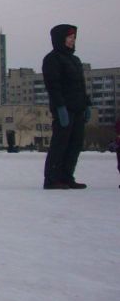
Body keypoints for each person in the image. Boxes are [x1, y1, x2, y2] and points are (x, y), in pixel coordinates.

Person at [42, 24, 92, 190]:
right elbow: (53, 86)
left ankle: (67, 176)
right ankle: (52, 179)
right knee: (60, 144)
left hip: (78, 108)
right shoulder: (52, 59)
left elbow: (80, 85)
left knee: (75, 144)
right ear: (60, 39)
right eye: (69, 38)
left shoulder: (75, 60)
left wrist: (87, 104)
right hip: (64, 109)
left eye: (74, 38)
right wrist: (60, 107)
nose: (72, 41)